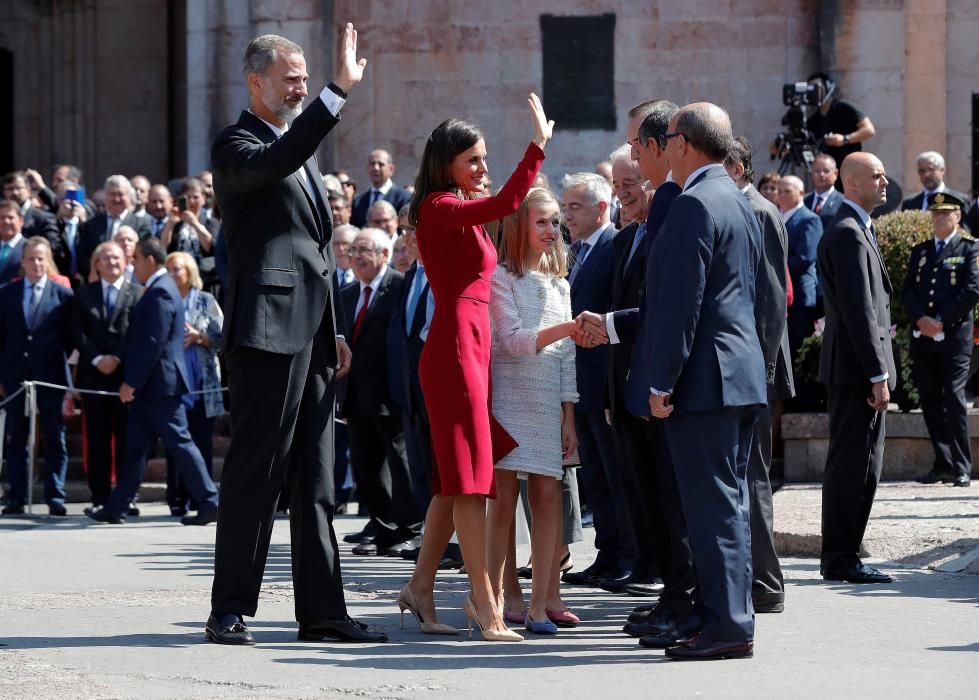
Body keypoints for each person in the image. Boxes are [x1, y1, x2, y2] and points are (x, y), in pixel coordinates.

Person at [207, 27, 385, 646]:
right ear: (256, 81)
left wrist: (333, 331)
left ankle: (323, 611)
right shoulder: (237, 143)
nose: (301, 86)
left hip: (311, 336)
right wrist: (336, 93)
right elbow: (273, 167)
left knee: (317, 480)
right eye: (291, 78)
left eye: (307, 78)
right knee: (256, 472)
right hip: (265, 335)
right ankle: (228, 607)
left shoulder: (293, 147)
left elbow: (313, 251)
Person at [399, 94, 552, 642]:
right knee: (467, 481)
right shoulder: (439, 206)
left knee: (451, 480)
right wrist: (536, 146)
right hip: (454, 350)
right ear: (447, 164)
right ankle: (483, 605)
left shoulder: (453, 205)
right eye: (474, 160)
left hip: (471, 345)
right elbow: (510, 200)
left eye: (486, 159)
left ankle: (420, 586)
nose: (482, 169)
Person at [636, 103, 766, 661]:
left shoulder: (692, 204)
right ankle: (725, 616)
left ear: (683, 143)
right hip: (737, 375)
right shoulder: (737, 199)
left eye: (664, 139)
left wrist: (661, 380)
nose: (662, 149)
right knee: (726, 506)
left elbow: (680, 304)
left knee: (711, 509)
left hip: (704, 380)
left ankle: (728, 625)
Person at [486, 187, 579, 635]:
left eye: (555, 221)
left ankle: (541, 604)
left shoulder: (561, 283)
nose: (551, 229)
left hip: (546, 403)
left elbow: (566, 358)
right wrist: (570, 328)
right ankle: (503, 597)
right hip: (507, 396)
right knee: (502, 502)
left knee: (547, 499)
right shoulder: (500, 278)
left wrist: (569, 415)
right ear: (519, 225)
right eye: (541, 220)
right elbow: (514, 340)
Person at [84, 238, 219, 527]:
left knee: (181, 443)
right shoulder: (163, 288)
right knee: (137, 448)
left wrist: (130, 382)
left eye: (135, 260)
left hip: (160, 386)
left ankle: (210, 501)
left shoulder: (160, 292)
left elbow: (153, 343)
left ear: (149, 261)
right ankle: (116, 506)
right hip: (154, 387)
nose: (132, 266)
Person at [724, 136, 796, 614]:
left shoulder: (760, 212)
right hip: (747, 367)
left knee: (752, 476)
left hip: (756, 369)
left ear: (738, 167)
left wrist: (761, 372)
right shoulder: (737, 208)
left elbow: (771, 302)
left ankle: (767, 584)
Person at [816, 152, 895, 584]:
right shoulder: (847, 232)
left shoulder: (857, 227)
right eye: (876, 176)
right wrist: (877, 374)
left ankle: (843, 553)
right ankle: (841, 557)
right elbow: (859, 312)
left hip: (856, 371)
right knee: (853, 464)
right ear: (852, 184)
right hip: (856, 374)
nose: (885, 182)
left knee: (863, 463)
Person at [561, 172, 632, 591]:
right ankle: (607, 553)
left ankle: (627, 554)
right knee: (595, 476)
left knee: (616, 472)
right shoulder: (573, 252)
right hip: (577, 381)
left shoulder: (615, 245)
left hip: (605, 379)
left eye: (575, 207)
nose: (566, 216)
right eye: (565, 206)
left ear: (601, 208)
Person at [338, 228, 421, 555]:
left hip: (391, 393)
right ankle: (383, 527)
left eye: (365, 250)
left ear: (384, 254)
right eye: (354, 250)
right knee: (366, 465)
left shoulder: (399, 287)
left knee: (400, 464)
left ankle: (409, 526)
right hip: (357, 396)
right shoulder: (346, 293)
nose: (357, 256)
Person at [902, 192, 979, 488]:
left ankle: (962, 465)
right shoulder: (920, 250)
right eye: (935, 214)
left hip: (954, 338)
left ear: (958, 217)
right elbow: (908, 290)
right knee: (930, 400)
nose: (939, 219)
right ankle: (943, 463)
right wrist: (921, 319)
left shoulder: (969, 248)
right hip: (923, 338)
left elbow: (972, 290)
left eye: (945, 214)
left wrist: (941, 321)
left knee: (953, 398)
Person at [0, 237, 74, 516]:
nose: (36, 263)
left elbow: (69, 338)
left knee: (55, 437)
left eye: (41, 258)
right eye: (31, 258)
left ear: (48, 260)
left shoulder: (63, 295)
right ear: (23, 261)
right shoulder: (7, 293)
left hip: (50, 375)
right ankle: (16, 495)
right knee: (17, 437)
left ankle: (55, 495)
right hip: (16, 377)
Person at [72, 241, 143, 508]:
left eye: (116, 258)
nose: (112, 262)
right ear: (97, 264)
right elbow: (77, 332)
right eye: (106, 258)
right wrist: (98, 358)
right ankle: (100, 496)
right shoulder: (83, 294)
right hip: (94, 376)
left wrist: (117, 358)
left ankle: (127, 497)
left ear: (125, 263)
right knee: (98, 440)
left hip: (125, 378)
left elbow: (137, 331)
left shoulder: (137, 293)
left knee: (128, 439)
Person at [163, 252, 226, 515]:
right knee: (174, 442)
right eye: (168, 270)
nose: (172, 274)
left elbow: (222, 338)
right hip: (172, 383)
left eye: (177, 269)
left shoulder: (205, 300)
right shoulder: (163, 299)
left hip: (202, 384)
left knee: (201, 442)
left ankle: (201, 498)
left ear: (189, 271)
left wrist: (199, 337)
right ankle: (176, 498)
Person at [778, 174, 824, 355]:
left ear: (801, 193)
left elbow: (805, 258)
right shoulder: (777, 215)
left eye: (787, 191)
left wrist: (773, 272)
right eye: (779, 191)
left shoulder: (809, 219)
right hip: (781, 295)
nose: (782, 195)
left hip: (800, 295)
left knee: (797, 349)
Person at [77, 175, 151, 280]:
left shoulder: (142, 224)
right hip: (98, 282)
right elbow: (83, 256)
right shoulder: (91, 225)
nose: (116, 199)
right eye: (112, 194)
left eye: (121, 194)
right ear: (106, 196)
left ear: (129, 197)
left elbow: (143, 255)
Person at [805, 72, 876, 167]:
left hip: (849, 167)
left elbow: (869, 130)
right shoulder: (812, 120)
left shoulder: (843, 108)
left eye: (817, 88)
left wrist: (845, 139)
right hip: (827, 173)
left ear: (827, 87)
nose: (814, 93)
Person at [161, 178, 220, 289]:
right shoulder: (176, 223)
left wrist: (195, 224)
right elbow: (163, 248)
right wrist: (170, 224)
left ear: (203, 199)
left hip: (204, 279)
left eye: (196, 197)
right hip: (178, 279)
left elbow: (211, 247)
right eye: (187, 197)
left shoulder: (211, 222)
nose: (191, 201)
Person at [350, 149, 412, 227]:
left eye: (381, 164)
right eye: (372, 164)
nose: (376, 168)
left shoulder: (405, 198)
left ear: (391, 169)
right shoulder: (358, 201)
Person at [901, 151, 971, 217]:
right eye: (922, 171)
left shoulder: (959, 200)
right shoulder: (909, 203)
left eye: (930, 169)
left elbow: (966, 228)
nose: (926, 175)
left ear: (942, 170)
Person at [804, 153, 845, 228]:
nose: (821, 175)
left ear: (836, 174)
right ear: (811, 174)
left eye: (826, 171)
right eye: (817, 171)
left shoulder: (844, 202)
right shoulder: (803, 201)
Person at [0, 199, 27, 285]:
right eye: (2, 218)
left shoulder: (29, 247)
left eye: (10, 217)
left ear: (21, 221)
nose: (6, 221)